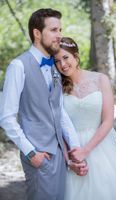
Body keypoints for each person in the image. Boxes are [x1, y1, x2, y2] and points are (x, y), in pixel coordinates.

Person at [0, 9, 87, 200]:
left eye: (60, 30)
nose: (59, 35)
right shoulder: (18, 66)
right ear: (37, 34)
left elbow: (60, 113)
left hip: (60, 156)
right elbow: (6, 117)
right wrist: (31, 153)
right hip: (39, 157)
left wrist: (74, 149)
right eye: (54, 30)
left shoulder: (54, 67)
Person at [54, 37, 116, 200]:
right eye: (56, 61)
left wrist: (86, 151)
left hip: (103, 146)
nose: (62, 64)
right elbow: (59, 126)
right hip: (72, 149)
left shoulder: (100, 79)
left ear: (75, 56)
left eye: (66, 57)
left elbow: (108, 120)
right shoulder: (56, 87)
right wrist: (70, 160)